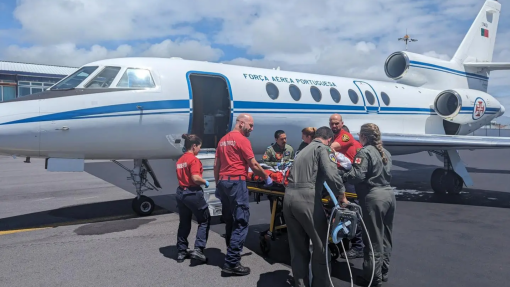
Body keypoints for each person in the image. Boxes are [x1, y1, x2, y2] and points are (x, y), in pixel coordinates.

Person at [283, 126, 347, 287]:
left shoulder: (302, 150)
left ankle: (300, 284)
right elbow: (332, 173)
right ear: (330, 139)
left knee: (298, 248)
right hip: (307, 199)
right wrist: (342, 194)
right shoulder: (323, 149)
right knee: (321, 247)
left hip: (289, 198)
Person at [214, 113, 272, 276]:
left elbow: (216, 164)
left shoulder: (223, 140)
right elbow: (253, 164)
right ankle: (231, 263)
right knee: (241, 221)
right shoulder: (242, 140)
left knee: (230, 221)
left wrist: (218, 183)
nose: (252, 129)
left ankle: (231, 253)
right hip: (236, 183)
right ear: (241, 123)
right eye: (250, 125)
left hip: (224, 182)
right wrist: (266, 177)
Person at [342, 123, 395, 287]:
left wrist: (342, 172)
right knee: (385, 237)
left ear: (364, 136)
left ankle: (372, 278)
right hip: (388, 196)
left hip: (373, 197)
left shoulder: (364, 153)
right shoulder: (385, 152)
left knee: (372, 240)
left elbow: (357, 176)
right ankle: (383, 272)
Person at [175, 134, 211, 264]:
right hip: (192, 193)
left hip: (181, 193)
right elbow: (195, 178)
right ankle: (198, 249)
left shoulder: (180, 160)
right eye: (199, 147)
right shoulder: (193, 160)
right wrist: (204, 181)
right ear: (194, 146)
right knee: (204, 219)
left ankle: (181, 251)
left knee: (184, 222)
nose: (199, 150)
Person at [339, 125, 365, 260]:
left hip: (350, 183)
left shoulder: (354, 146)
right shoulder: (355, 145)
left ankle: (358, 246)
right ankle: (347, 242)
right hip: (346, 183)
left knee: (352, 213)